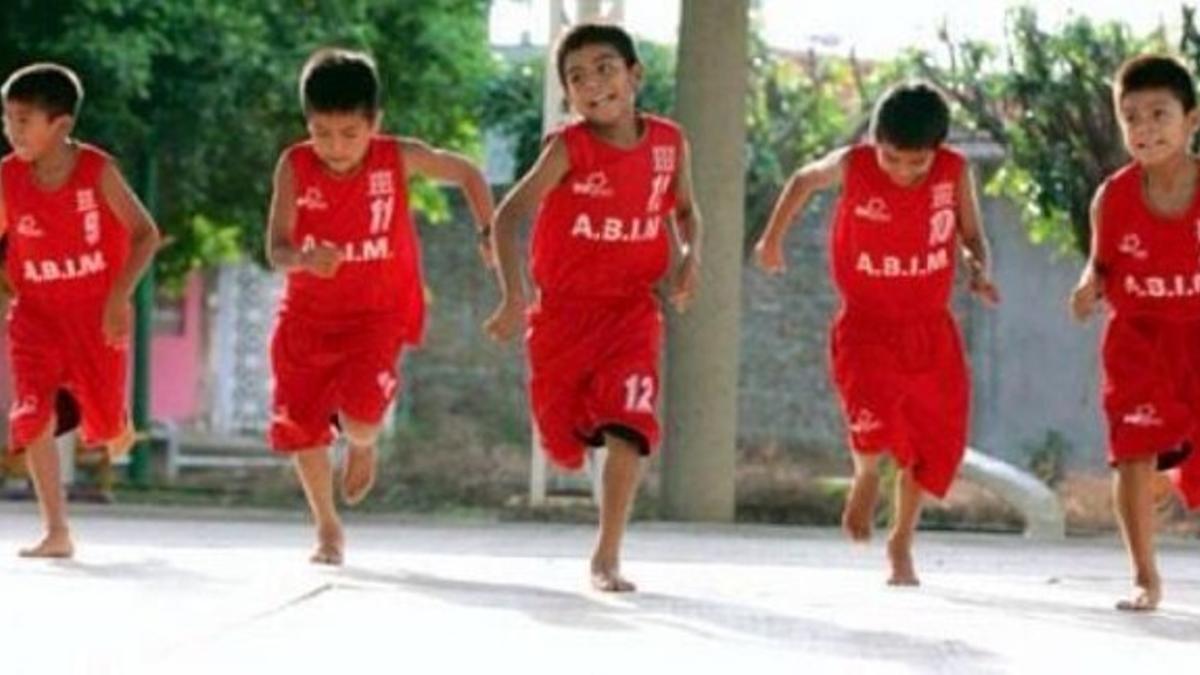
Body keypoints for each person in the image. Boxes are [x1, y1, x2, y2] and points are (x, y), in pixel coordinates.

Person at [484, 23, 701, 592]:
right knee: (562, 443)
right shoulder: (568, 147)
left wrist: (687, 260)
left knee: (628, 425)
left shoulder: (670, 143)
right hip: (562, 315)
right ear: (568, 95)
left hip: (631, 311)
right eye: (576, 77)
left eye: (605, 68)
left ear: (635, 76)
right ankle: (570, 431)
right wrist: (513, 295)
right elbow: (508, 217)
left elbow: (682, 211)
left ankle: (607, 555)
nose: (592, 83)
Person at [755, 81, 999, 586]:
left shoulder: (954, 172)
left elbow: (971, 234)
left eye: (917, 163)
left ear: (939, 151)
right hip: (866, 322)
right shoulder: (854, 164)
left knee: (928, 444)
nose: (905, 172)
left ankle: (902, 542)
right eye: (893, 159)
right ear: (874, 140)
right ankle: (866, 474)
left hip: (930, 327)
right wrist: (772, 238)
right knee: (869, 409)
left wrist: (978, 268)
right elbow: (802, 180)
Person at [266, 48, 494, 565]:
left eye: (350, 134)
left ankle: (363, 444)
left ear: (375, 123)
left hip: (377, 314)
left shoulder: (398, 156)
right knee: (302, 425)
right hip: (306, 318)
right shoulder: (295, 165)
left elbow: (469, 175)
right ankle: (327, 528)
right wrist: (304, 257)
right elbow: (275, 250)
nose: (336, 148)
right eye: (322, 133)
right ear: (308, 125)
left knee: (362, 420)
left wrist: (487, 230)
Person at [1, 62, 160, 558]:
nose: (12, 129)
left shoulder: (98, 171)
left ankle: (117, 421)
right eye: (7, 118)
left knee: (107, 431)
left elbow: (146, 235)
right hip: (35, 318)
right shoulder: (6, 177)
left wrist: (118, 299)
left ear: (62, 125)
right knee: (33, 416)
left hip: (97, 317)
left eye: (24, 119)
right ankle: (57, 530)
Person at [1069, 54, 1200, 611]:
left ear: (1191, 119)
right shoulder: (1113, 197)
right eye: (1131, 117)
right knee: (1133, 452)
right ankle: (1146, 576)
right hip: (1138, 339)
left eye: (1158, 114)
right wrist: (1087, 286)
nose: (1144, 129)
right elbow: (1100, 264)